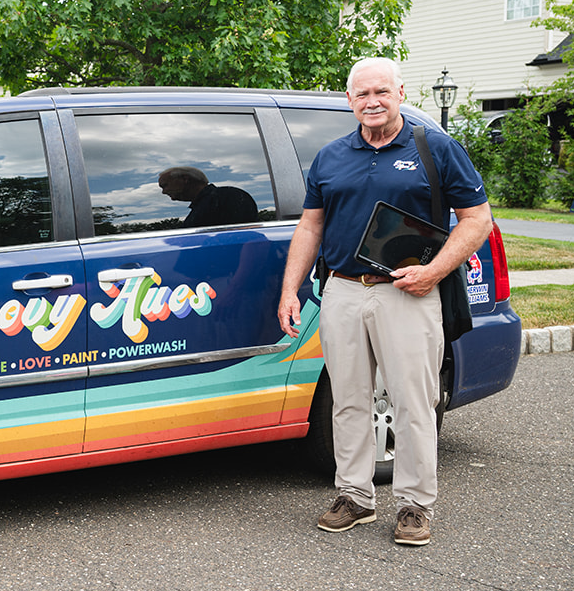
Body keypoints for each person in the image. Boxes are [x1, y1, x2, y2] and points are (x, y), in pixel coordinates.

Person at [276, 58, 492, 547]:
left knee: (413, 401)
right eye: (361, 94)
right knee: (349, 399)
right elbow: (311, 226)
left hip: (407, 291)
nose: (372, 102)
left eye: (381, 92)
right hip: (344, 290)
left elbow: (477, 219)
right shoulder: (330, 156)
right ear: (349, 100)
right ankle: (355, 495)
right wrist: (291, 290)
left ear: (399, 92)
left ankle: (415, 505)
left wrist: (433, 271)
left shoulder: (434, 148)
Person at [157, 166, 259, 227]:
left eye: (165, 186)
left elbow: (241, 238)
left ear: (185, 179)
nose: (164, 192)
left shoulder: (228, 197)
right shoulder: (210, 202)